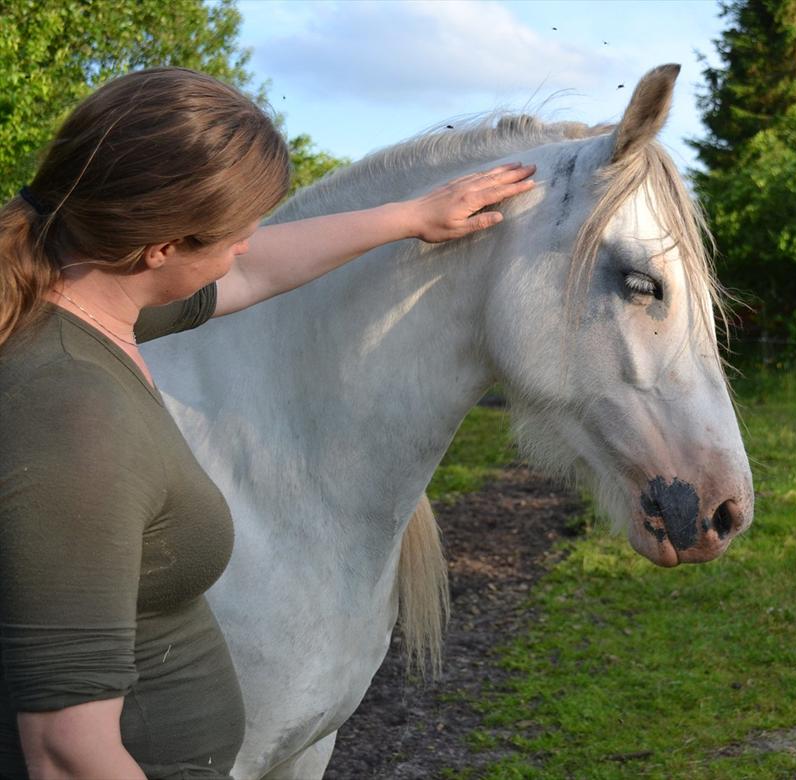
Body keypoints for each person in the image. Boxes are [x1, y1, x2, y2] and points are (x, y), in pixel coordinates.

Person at [0, 67, 535, 779]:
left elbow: (251, 277)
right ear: (162, 249)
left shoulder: (86, 298)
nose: (248, 248)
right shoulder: (71, 412)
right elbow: (67, 752)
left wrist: (410, 218)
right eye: (236, 234)